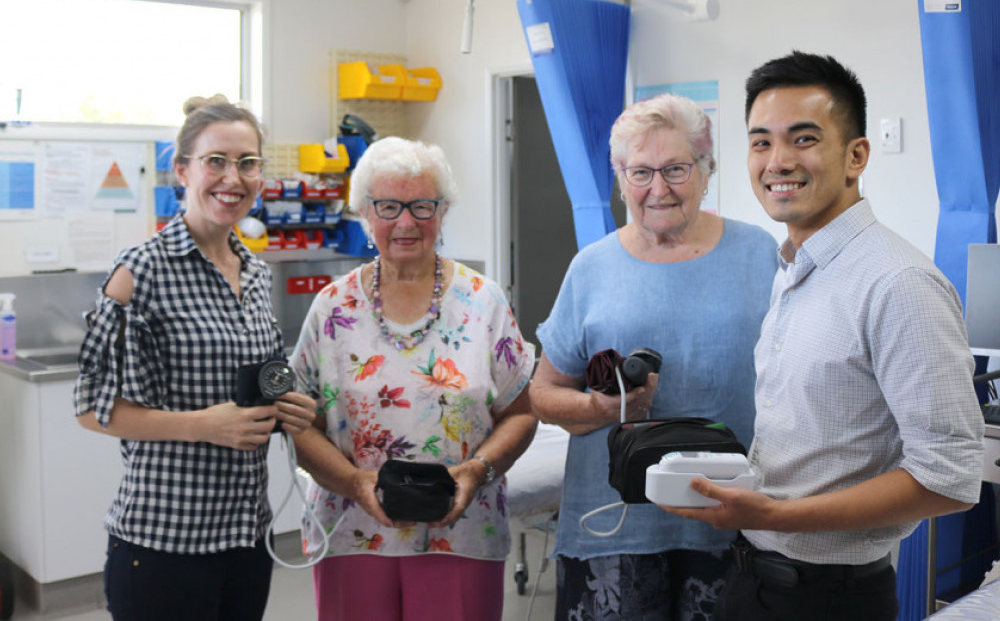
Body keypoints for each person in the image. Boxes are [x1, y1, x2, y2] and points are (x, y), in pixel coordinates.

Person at [664, 51, 986, 620]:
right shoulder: (794, 267)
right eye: (760, 142)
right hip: (753, 576)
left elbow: (950, 477)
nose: (777, 161)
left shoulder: (898, 282)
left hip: (829, 597)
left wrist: (777, 515)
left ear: (856, 155)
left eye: (804, 138)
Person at [528, 93, 779, 620]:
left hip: (732, 518)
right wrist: (603, 410)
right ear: (620, 178)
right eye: (639, 172)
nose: (658, 188)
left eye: (676, 169)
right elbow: (543, 394)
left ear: (707, 171)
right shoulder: (591, 268)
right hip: (615, 524)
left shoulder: (760, 255)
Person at [73, 95, 318, 621]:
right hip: (165, 543)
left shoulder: (254, 273)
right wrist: (202, 426)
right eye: (216, 161)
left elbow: (251, 391)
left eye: (248, 163)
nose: (234, 177)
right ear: (182, 170)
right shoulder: (140, 272)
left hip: (246, 537)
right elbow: (92, 408)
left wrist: (286, 409)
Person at [288, 136, 538, 621]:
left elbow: (520, 413)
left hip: (463, 534)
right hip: (350, 531)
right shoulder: (332, 307)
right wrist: (354, 482)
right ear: (364, 213)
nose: (406, 222)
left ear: (442, 212)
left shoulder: (483, 301)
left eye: (422, 205)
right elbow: (300, 423)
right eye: (388, 206)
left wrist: (475, 472)